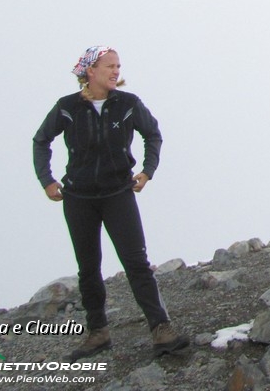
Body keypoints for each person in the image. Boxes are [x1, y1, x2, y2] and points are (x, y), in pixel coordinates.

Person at [32, 46, 189, 361]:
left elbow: (153, 135)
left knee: (136, 263)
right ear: (90, 71)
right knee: (88, 268)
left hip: (119, 193)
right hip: (78, 198)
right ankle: (98, 333)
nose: (116, 71)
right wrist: (47, 180)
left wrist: (147, 171)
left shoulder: (128, 104)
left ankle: (161, 329)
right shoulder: (67, 107)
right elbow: (41, 140)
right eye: (109, 66)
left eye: (118, 66)